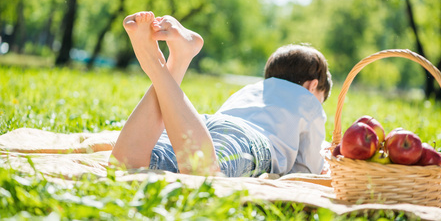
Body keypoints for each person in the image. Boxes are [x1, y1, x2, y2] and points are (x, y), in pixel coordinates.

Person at [110, 11, 332, 177]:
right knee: (204, 174)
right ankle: (158, 64)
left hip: (209, 125)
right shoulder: (307, 101)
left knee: (125, 163)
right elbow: (306, 169)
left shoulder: (251, 89)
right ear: (312, 86)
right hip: (252, 142)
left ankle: (178, 60)